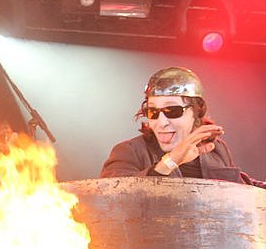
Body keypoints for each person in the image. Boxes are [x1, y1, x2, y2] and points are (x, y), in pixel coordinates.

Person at [100, 66, 255, 183]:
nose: (161, 122)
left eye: (172, 111)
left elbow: (243, 189)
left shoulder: (217, 150)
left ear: (197, 111)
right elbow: (109, 195)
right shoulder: (130, 151)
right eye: (153, 112)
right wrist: (171, 161)